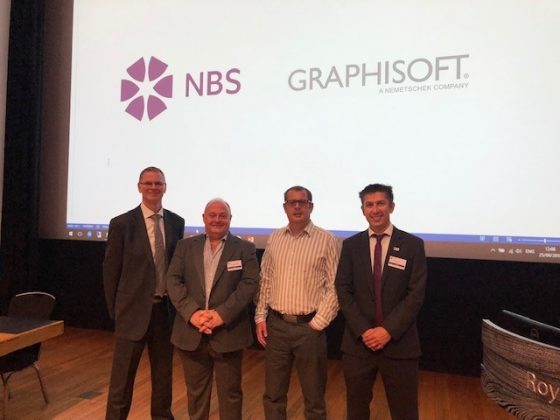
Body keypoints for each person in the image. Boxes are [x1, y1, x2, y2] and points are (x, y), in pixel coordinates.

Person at [335, 183, 427, 420]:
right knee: (356, 411)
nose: (375, 210)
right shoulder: (351, 245)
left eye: (380, 203)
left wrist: (387, 331)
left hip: (399, 344)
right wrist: (364, 330)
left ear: (391, 206)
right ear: (362, 210)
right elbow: (343, 290)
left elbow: (415, 294)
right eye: (369, 205)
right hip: (359, 345)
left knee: (405, 412)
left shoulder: (412, 245)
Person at [103, 166, 184, 420]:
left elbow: (176, 269)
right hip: (132, 314)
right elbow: (111, 271)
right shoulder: (122, 224)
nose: (153, 187)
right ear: (139, 187)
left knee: (163, 378)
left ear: (165, 188)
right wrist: (116, 311)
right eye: (148, 183)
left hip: (165, 314)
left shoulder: (176, 222)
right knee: (122, 381)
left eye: (158, 183)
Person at [166, 198, 259, 420]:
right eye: (212, 215)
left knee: (231, 394)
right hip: (191, 332)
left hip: (229, 332)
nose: (217, 219)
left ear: (230, 219)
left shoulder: (245, 248)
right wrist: (193, 314)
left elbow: (249, 285)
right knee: (196, 395)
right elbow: (173, 280)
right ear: (204, 218)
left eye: (222, 215)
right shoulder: (185, 246)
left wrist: (221, 315)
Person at [254, 186, 341, 420]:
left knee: (314, 398)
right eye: (292, 202)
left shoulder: (327, 240)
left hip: (309, 329)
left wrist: (318, 323)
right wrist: (260, 316)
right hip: (276, 327)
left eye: (302, 202)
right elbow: (266, 279)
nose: (297, 207)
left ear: (311, 206)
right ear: (285, 207)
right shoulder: (275, 238)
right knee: (273, 395)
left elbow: (335, 287)